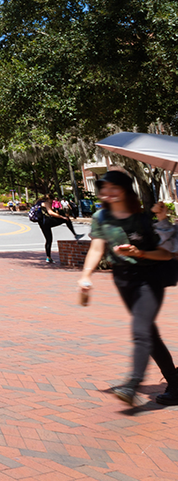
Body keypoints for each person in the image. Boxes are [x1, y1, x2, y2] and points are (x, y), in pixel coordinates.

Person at [78, 170, 178, 406]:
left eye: (114, 187)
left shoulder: (143, 219)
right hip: (122, 278)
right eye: (104, 188)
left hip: (148, 276)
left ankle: (132, 384)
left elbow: (166, 254)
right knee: (149, 333)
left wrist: (140, 251)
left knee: (141, 329)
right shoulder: (100, 217)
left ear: (125, 190)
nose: (108, 192)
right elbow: (96, 247)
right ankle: (175, 384)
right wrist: (85, 276)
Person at [36, 194, 83, 263]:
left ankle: (48, 257)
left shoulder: (39, 203)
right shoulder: (46, 203)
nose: (52, 201)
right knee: (66, 219)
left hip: (41, 223)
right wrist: (62, 217)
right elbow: (50, 213)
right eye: (52, 200)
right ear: (49, 199)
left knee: (48, 240)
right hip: (47, 221)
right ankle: (75, 234)